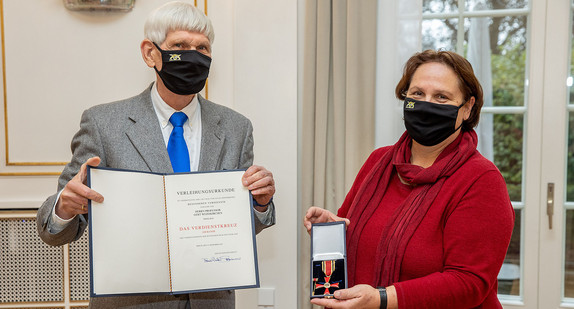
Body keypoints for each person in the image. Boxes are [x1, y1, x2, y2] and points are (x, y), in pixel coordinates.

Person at [36, 2, 276, 308]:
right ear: (151, 53)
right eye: (179, 45)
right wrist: (64, 207)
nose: (193, 55)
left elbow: (237, 229)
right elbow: (55, 232)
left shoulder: (236, 127)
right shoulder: (103, 124)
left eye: (202, 47)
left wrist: (260, 203)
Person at [304, 50, 514, 309]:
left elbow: (468, 282)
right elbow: (359, 245)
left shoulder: (481, 180)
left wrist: (382, 298)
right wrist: (333, 232)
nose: (426, 104)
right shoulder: (379, 162)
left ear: (467, 108)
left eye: (441, 97)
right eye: (417, 94)